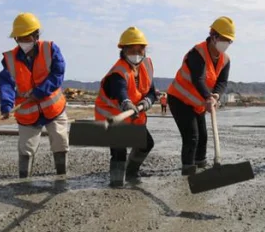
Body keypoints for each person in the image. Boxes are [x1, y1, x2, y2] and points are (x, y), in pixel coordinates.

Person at [0, 12, 69, 178]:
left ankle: (61, 177)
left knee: (60, 141)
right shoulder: (10, 59)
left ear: (36, 35)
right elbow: (6, 83)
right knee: (26, 148)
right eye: (20, 39)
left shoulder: (50, 49)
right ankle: (24, 180)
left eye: (27, 38)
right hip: (27, 113)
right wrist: (6, 105)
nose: (23, 42)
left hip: (53, 109)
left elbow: (58, 74)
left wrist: (40, 92)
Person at [167, 17, 234, 176]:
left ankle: (202, 170)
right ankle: (188, 172)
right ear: (213, 36)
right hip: (180, 100)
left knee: (203, 137)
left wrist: (215, 96)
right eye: (223, 39)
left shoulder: (225, 60)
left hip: (198, 103)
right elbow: (199, 78)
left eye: (229, 41)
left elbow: (222, 81)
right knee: (192, 137)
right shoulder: (197, 53)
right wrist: (207, 96)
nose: (225, 43)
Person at [95, 27, 157, 187]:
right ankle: (116, 182)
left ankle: (131, 170)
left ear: (145, 50)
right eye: (131, 49)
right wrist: (126, 103)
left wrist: (146, 102)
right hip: (114, 116)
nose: (136, 53)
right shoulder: (118, 72)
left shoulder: (146, 66)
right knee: (119, 150)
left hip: (135, 116)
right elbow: (120, 90)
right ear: (123, 50)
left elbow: (151, 91)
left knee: (147, 143)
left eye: (140, 49)